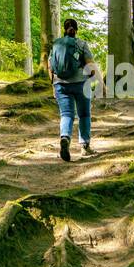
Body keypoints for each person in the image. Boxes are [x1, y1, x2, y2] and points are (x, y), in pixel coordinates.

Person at [48, 19, 103, 162]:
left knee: (66, 114)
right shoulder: (81, 44)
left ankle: (65, 137)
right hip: (80, 84)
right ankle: (84, 146)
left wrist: (53, 85)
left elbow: (51, 67)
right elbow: (90, 65)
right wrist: (97, 80)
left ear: (64, 29)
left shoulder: (56, 45)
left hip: (60, 84)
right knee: (84, 114)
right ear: (76, 29)